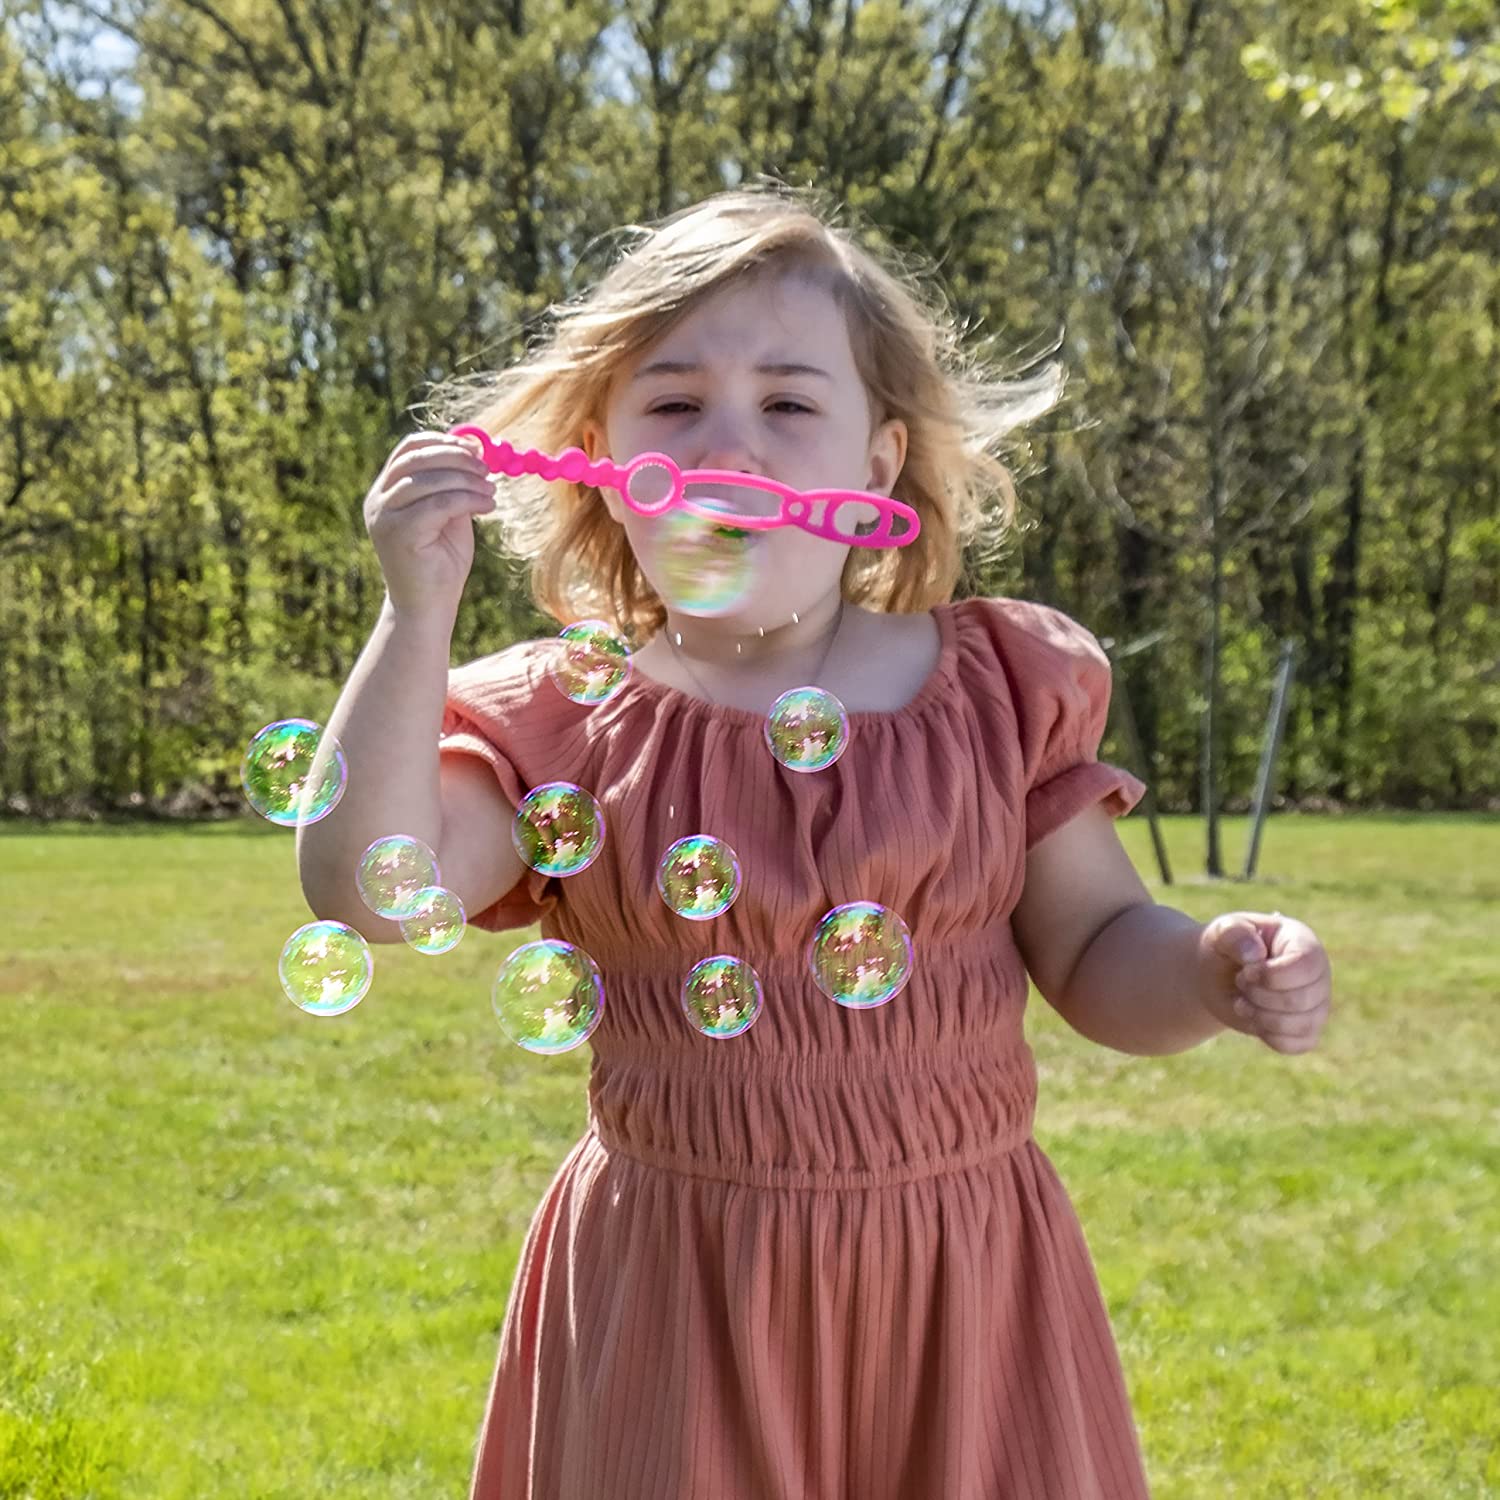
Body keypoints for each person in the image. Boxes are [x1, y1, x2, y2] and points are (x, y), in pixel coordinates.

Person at [298, 182, 1334, 1499]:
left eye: (788, 405)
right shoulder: (571, 723)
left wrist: (1203, 972)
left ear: (877, 467)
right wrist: (415, 610)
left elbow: (1096, 946)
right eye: (675, 404)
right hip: (677, 1288)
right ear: (602, 460)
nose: (730, 441)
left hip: (961, 1281)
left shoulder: (996, 692)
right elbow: (373, 890)